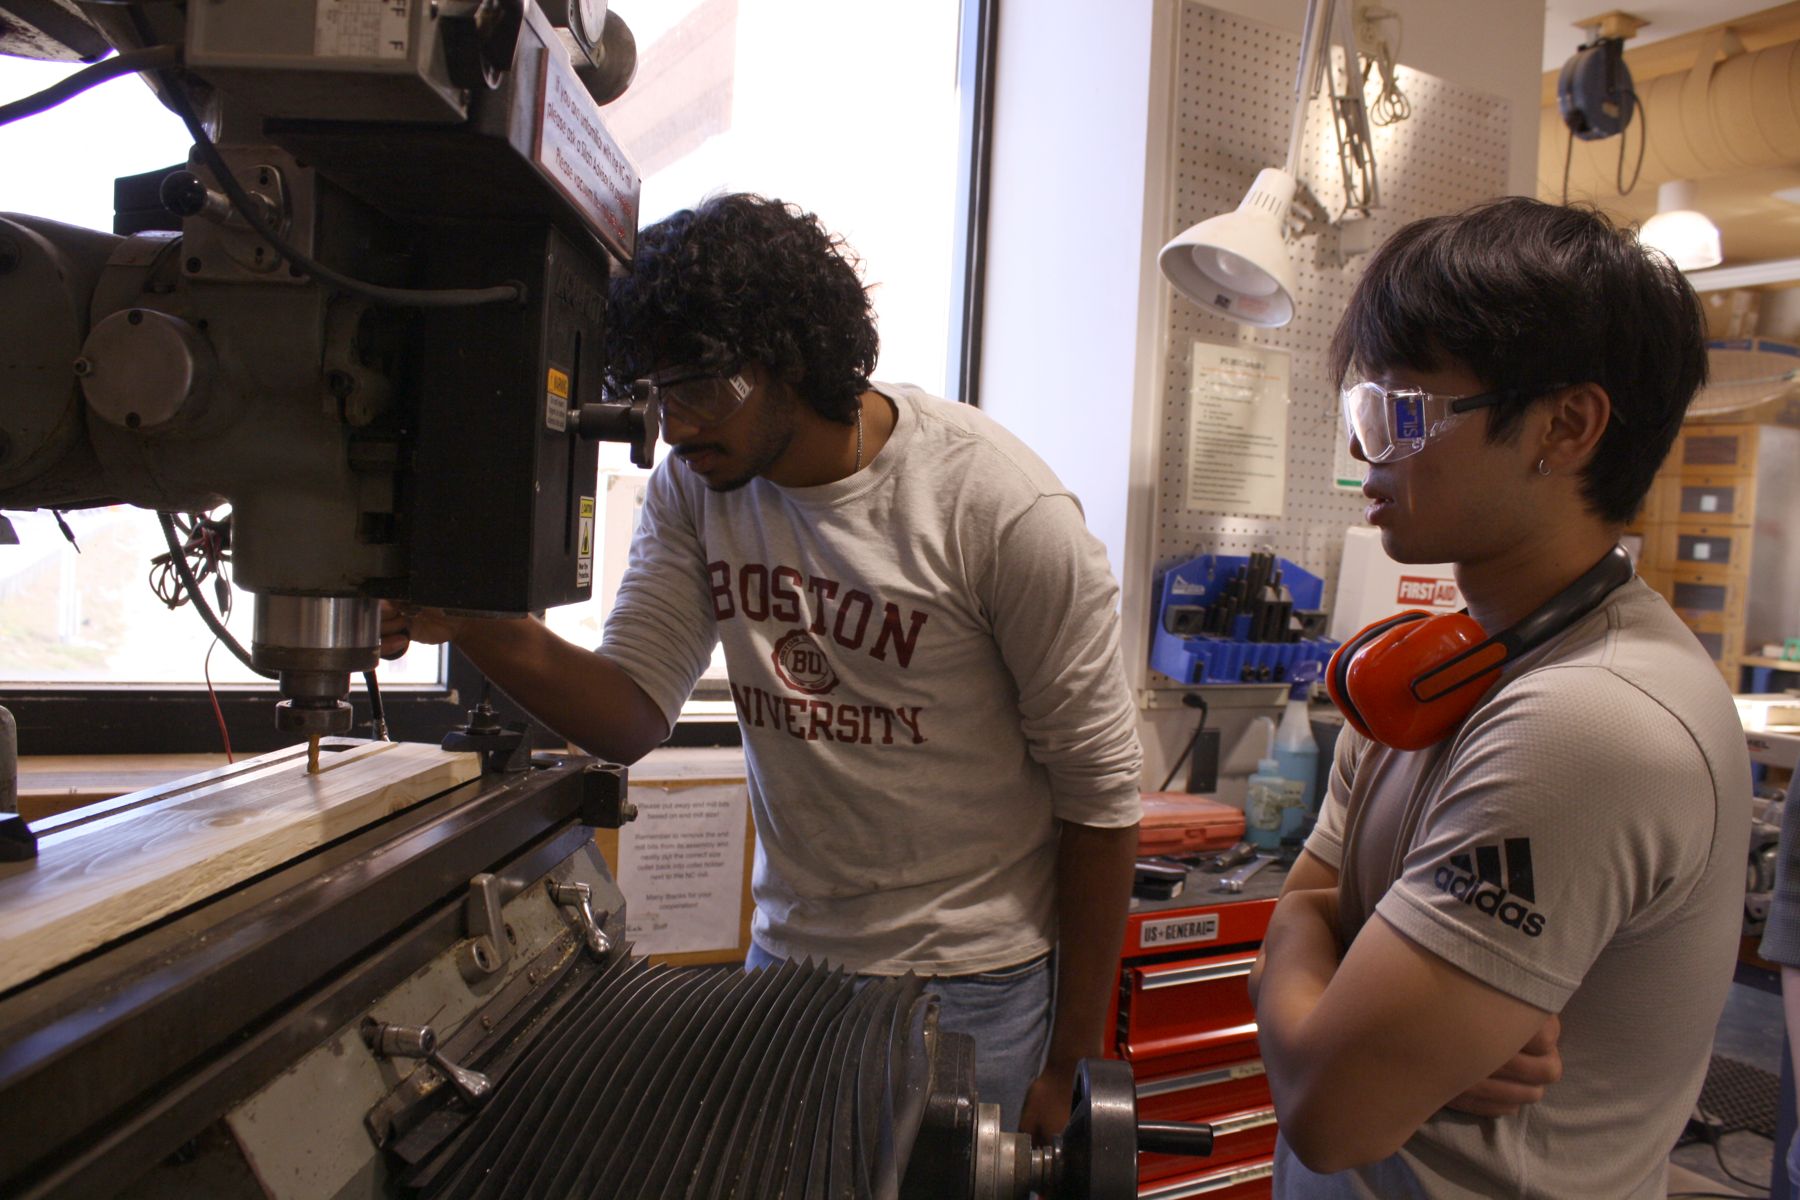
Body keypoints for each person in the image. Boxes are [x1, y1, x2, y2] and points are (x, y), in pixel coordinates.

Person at [382, 193, 1143, 1138]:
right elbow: (629, 713)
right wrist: (465, 620)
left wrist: (1072, 1062)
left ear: (792, 357)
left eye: (699, 389)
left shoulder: (997, 509)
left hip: (971, 983)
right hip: (788, 963)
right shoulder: (698, 491)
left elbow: (1102, 803)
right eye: (656, 394)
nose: (672, 428)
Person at [1250, 197, 1750, 1197]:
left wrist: (1329, 978)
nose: (1364, 453)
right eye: (1365, 411)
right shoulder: (1437, 667)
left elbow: (1330, 1108)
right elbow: (1302, 901)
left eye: (1402, 415)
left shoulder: (1589, 723)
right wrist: (1330, 965)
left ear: (1565, 427)